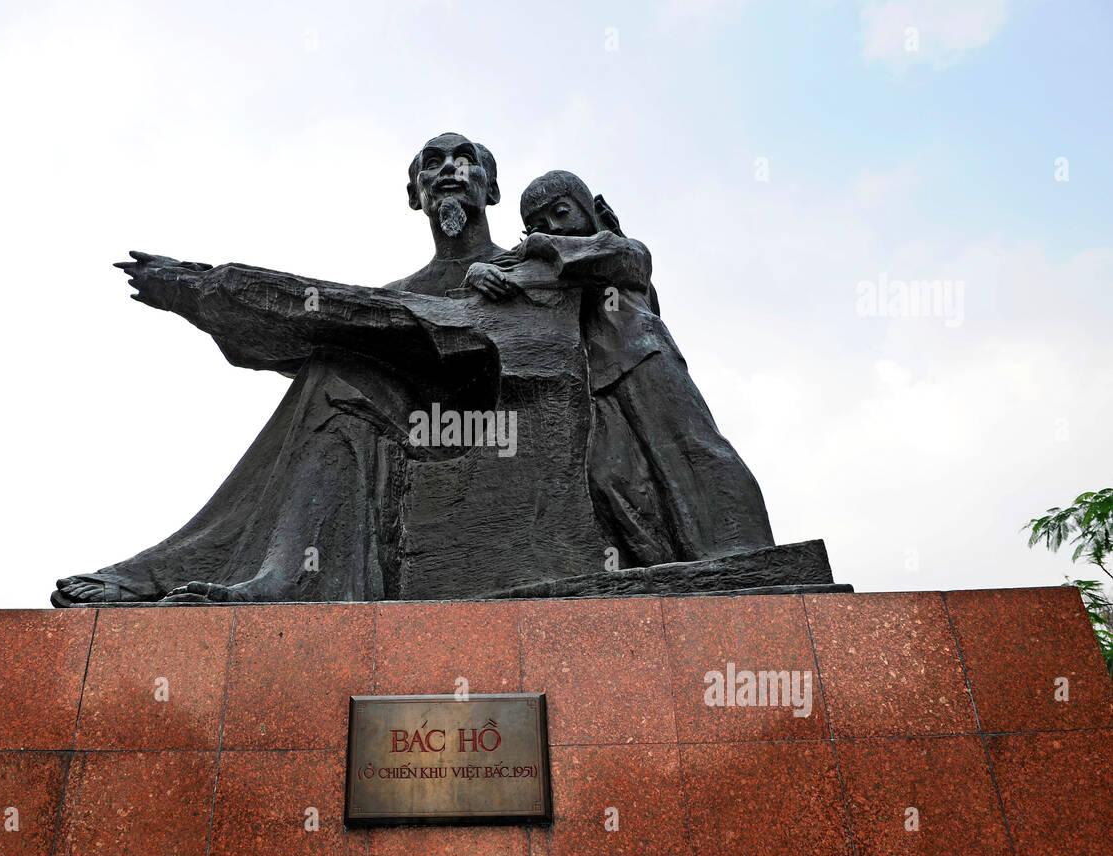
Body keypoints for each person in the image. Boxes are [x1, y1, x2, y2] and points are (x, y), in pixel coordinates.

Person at [51, 133, 511, 606]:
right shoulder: (400, 291)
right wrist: (204, 298)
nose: (451, 169)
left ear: (490, 188)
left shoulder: (523, 268)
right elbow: (295, 344)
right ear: (416, 194)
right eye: (434, 163)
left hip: (487, 428)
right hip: (401, 429)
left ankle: (279, 580)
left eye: (465, 160)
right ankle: (196, 568)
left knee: (338, 375)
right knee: (330, 372)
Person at [467, 170, 775, 567]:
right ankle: (663, 568)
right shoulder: (546, 257)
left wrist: (540, 243)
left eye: (562, 213)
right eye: (538, 226)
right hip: (593, 383)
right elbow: (510, 271)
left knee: (691, 451)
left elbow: (601, 260)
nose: (553, 229)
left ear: (595, 210)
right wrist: (479, 272)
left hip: (644, 359)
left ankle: (744, 553)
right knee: (608, 477)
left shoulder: (624, 251)